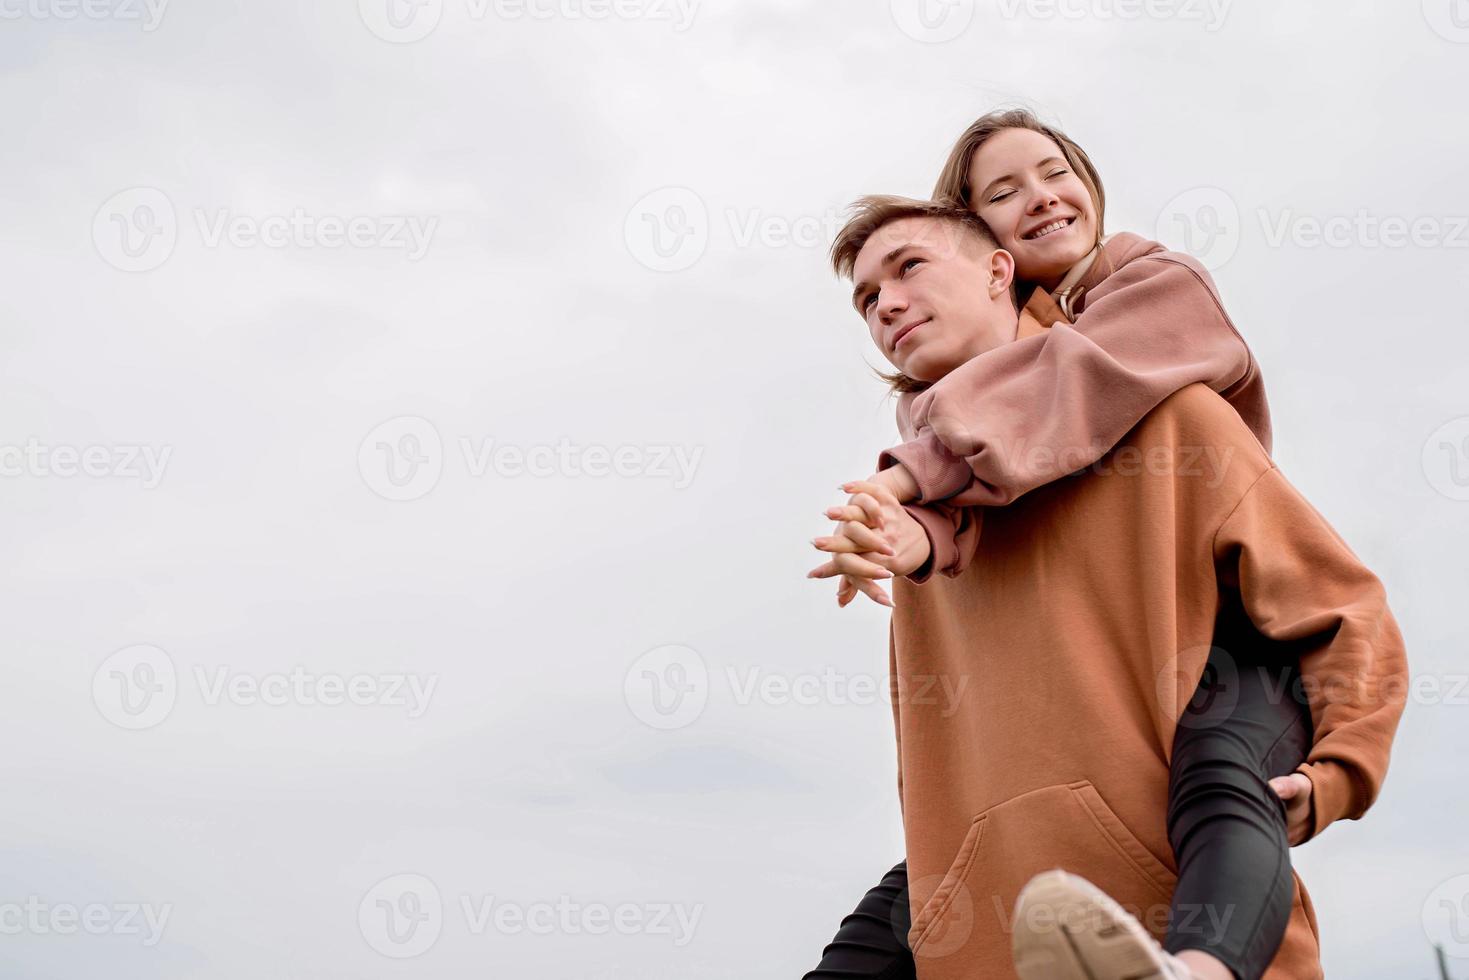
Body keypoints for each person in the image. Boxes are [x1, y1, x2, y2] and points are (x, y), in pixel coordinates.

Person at [806, 195, 1406, 979]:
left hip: (1174, 907)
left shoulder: (1171, 424)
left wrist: (1339, 773)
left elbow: (1337, 606)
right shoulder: (920, 513)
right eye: (864, 298)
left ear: (998, 271)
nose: (884, 303)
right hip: (996, 921)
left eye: (908, 267)